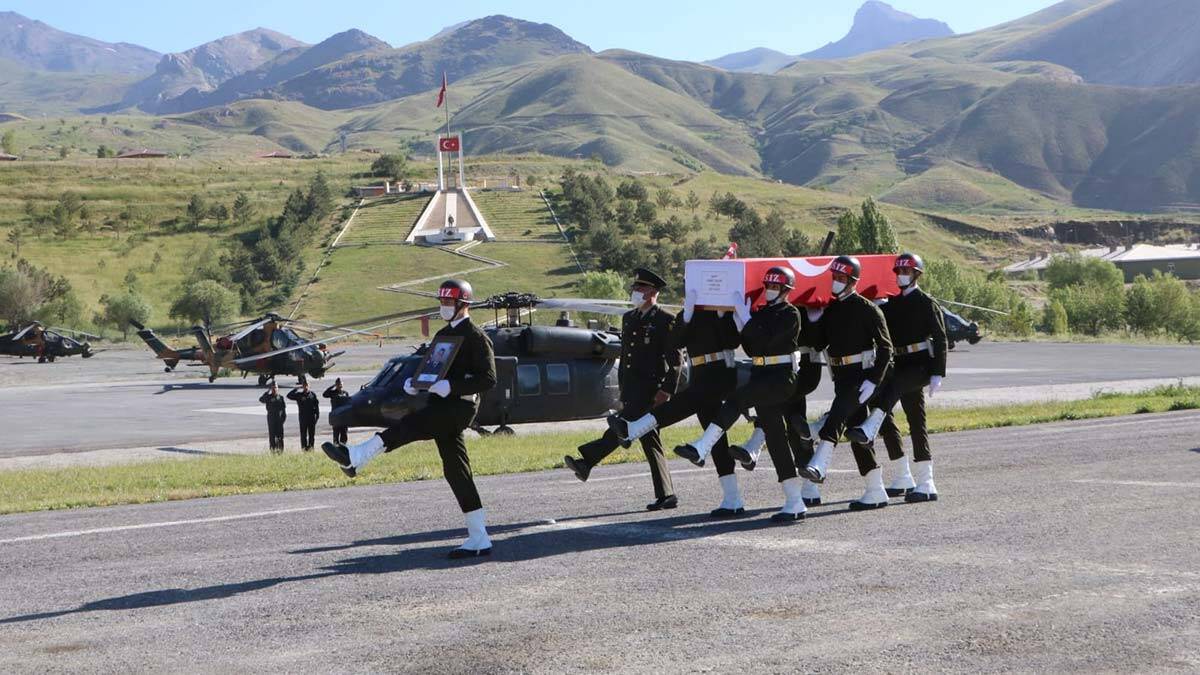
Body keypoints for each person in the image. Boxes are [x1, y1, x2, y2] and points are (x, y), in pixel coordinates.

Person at [322, 279, 498, 559]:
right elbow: (431, 368)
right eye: (442, 302)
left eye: (449, 303)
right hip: (441, 404)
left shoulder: (477, 337)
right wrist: (416, 384)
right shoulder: (443, 335)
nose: (444, 307)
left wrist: (452, 387)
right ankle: (479, 537)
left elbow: (488, 379)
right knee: (456, 471)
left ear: (464, 304)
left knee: (412, 425)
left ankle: (356, 455)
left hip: (460, 408)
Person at [676, 266, 806, 523]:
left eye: (776, 287)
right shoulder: (762, 313)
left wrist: (747, 321)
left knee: (737, 399)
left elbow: (769, 342)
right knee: (776, 437)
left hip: (781, 377)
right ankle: (794, 500)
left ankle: (703, 446)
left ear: (786, 291)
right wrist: (743, 321)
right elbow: (752, 346)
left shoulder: (791, 314)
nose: (770, 291)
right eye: (768, 286)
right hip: (762, 375)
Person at [607, 286, 743, 517]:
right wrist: (687, 315)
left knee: (684, 403)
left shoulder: (723, 311)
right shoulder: (688, 313)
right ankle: (733, 499)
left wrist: (722, 316)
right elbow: (675, 343)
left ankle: (634, 428)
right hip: (700, 374)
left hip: (720, 372)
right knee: (716, 438)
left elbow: (732, 341)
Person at [563, 268, 682, 511]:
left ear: (652, 292)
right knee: (648, 439)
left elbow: (676, 360)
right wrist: (622, 391)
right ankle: (667, 494)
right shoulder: (629, 318)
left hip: (651, 389)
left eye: (640, 288)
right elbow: (626, 357)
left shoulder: (665, 321)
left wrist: (667, 390)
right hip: (631, 388)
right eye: (635, 288)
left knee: (623, 426)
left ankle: (587, 461)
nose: (635, 292)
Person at [847, 252, 946, 503]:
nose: (902, 276)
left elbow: (940, 338)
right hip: (900, 363)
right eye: (899, 272)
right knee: (898, 416)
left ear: (916, 275)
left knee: (898, 397)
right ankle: (905, 476)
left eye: (906, 272)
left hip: (920, 365)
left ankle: (926, 481)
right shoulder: (892, 305)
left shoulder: (926, 302)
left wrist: (937, 372)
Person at [802, 255, 894, 511]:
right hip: (841, 376)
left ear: (853, 281)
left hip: (861, 378)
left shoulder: (868, 309)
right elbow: (818, 344)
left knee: (837, 417)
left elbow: (886, 349)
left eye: (841, 278)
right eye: (834, 277)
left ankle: (819, 465)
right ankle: (875, 490)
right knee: (855, 431)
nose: (836, 282)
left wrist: (874, 381)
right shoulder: (831, 309)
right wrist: (813, 320)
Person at [730, 303, 826, 507]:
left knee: (793, 419)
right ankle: (809, 485)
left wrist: (816, 320)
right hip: (776, 368)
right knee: (794, 422)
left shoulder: (801, 305)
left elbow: (818, 342)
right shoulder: (769, 306)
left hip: (804, 365)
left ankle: (755, 444)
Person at [287, 381, 320, 451]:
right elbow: (289, 395)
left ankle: (311, 448)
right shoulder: (299, 395)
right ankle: (304, 449)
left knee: (311, 435)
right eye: (304, 385)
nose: (306, 387)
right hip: (303, 418)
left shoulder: (313, 395)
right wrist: (297, 388)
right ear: (302, 386)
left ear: (309, 386)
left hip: (311, 418)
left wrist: (317, 416)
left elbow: (316, 406)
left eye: (307, 385)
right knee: (303, 435)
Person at [259, 382, 287, 453]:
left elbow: (284, 410)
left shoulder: (281, 398)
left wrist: (283, 420)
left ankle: (280, 451)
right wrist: (267, 392)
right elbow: (261, 399)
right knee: (272, 437)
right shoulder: (268, 397)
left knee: (280, 437)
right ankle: (273, 451)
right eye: (273, 387)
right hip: (271, 419)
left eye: (276, 387)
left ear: (278, 388)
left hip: (279, 420)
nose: (274, 389)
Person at [323, 378, 351, 445]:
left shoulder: (345, 393)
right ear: (336, 385)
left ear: (342, 384)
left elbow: (348, 403)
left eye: (340, 384)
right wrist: (332, 386)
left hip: (344, 417)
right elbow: (324, 394)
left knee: (344, 435)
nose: (339, 385)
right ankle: (336, 448)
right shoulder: (332, 393)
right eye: (338, 384)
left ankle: (343, 448)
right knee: (336, 435)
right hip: (336, 417)